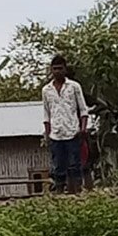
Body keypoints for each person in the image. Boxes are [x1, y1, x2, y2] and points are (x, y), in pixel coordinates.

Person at [41, 56, 89, 194]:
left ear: (65, 69)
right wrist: (47, 133)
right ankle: (60, 194)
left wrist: (83, 129)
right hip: (56, 134)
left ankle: (77, 192)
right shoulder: (46, 90)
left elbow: (83, 109)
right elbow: (46, 113)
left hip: (73, 132)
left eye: (60, 68)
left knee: (75, 165)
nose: (57, 71)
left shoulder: (74, 87)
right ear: (51, 70)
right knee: (58, 167)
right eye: (55, 69)